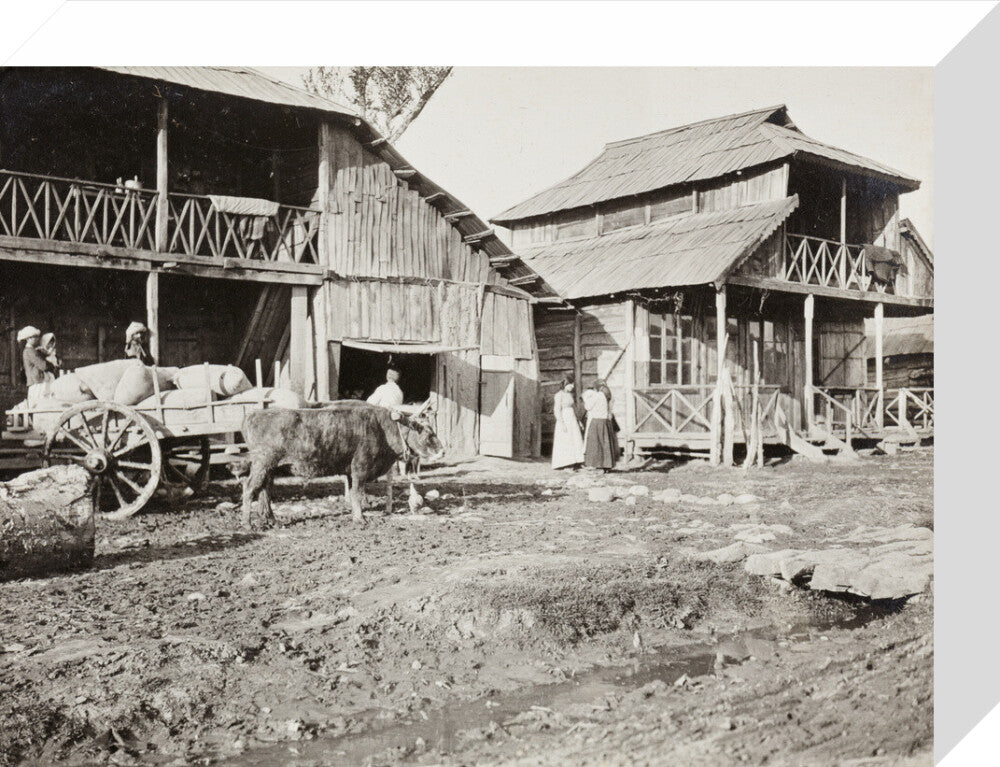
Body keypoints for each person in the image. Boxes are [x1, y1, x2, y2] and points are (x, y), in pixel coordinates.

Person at [582, 379, 617, 472]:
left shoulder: (597, 396)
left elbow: (587, 407)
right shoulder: (606, 396)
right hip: (605, 421)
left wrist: (586, 398)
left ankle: (598, 465)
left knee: (596, 444)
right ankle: (606, 465)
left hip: (597, 421)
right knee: (605, 443)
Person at [551, 377, 584, 470]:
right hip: (564, 419)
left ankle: (577, 461)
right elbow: (557, 410)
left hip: (572, 419)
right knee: (566, 440)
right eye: (571, 384)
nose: (572, 386)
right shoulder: (559, 395)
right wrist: (562, 423)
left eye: (573, 384)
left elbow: (574, 408)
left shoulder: (570, 395)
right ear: (565, 384)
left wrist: (579, 420)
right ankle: (566, 463)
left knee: (575, 439)